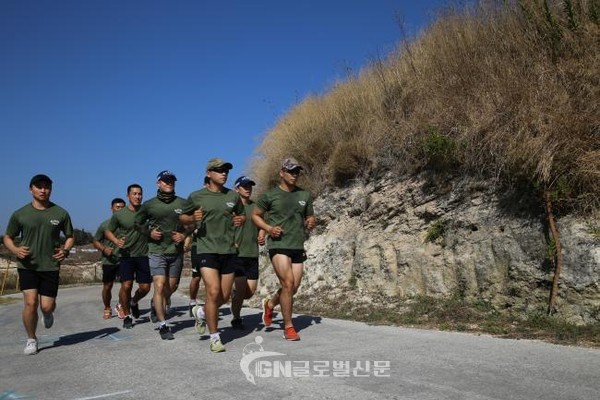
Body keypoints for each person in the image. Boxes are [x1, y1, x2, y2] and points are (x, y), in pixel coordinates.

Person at [3, 174, 74, 355]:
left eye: (46, 187)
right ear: (31, 189)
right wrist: (16, 250)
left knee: (47, 306)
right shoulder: (20, 214)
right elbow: (8, 237)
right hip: (28, 265)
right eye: (39, 186)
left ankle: (48, 314)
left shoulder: (60, 213)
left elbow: (70, 236)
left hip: (50, 265)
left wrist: (65, 251)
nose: (43, 190)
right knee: (30, 303)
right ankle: (31, 339)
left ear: (51, 189)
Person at [180, 158, 245, 353]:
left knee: (224, 297)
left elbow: (241, 215)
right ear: (209, 173)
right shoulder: (196, 196)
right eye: (219, 170)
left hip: (227, 250)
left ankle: (201, 312)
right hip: (206, 249)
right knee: (214, 291)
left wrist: (240, 220)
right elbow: (182, 217)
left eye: (226, 170)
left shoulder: (233, 196)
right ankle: (215, 337)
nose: (224, 173)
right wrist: (192, 218)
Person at [252, 158, 316, 341]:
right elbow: (255, 216)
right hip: (278, 245)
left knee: (293, 288)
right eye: (290, 171)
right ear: (282, 172)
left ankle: (270, 305)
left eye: (297, 171)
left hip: (297, 245)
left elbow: (310, 217)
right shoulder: (270, 195)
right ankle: (289, 327)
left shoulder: (304, 195)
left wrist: (311, 222)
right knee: (287, 283)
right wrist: (268, 229)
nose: (294, 174)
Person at [135, 170, 190, 340]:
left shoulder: (183, 202)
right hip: (157, 251)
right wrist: (149, 232)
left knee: (170, 288)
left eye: (172, 181)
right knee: (159, 286)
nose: (169, 183)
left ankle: (155, 304)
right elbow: (138, 224)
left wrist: (184, 234)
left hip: (176, 252)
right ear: (158, 183)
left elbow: (193, 223)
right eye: (165, 181)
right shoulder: (149, 205)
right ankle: (163, 325)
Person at [104, 184, 151, 330]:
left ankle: (134, 301)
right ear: (128, 196)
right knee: (126, 285)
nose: (138, 196)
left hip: (143, 254)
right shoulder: (120, 214)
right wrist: (116, 241)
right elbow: (108, 231)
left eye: (140, 194)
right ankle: (127, 316)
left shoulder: (146, 211)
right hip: (126, 256)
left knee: (145, 288)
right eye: (134, 194)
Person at [230, 176, 265, 330]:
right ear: (237, 189)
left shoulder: (256, 207)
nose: (248, 189)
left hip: (252, 254)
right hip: (236, 254)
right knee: (240, 289)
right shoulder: (230, 208)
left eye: (250, 186)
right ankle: (236, 318)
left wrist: (262, 233)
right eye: (244, 186)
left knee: (250, 292)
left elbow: (262, 224)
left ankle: (234, 296)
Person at [91, 197, 126, 319]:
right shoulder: (105, 225)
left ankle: (121, 305)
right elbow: (95, 241)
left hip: (124, 258)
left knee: (126, 285)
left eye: (122, 207)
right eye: (117, 207)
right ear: (112, 209)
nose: (120, 210)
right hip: (109, 260)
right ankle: (107, 306)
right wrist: (104, 249)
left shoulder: (128, 224)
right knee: (107, 286)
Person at [187, 176, 209, 317]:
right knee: (196, 277)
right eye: (207, 184)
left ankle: (209, 306)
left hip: (214, 247)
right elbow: (186, 222)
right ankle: (192, 301)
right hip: (198, 246)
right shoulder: (196, 200)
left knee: (211, 281)